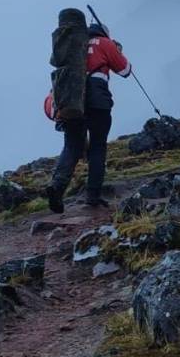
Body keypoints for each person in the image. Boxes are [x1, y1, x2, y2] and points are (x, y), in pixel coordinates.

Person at [46, 21, 131, 214]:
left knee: (72, 147)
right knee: (97, 146)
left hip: (72, 101)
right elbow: (125, 71)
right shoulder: (104, 43)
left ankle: (57, 187)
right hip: (98, 101)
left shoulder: (73, 46)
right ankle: (92, 196)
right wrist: (117, 50)